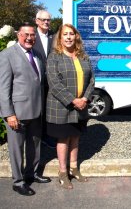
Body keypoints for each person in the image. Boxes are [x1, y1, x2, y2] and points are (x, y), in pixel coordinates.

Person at [0, 23, 51, 196]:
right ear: (18, 35)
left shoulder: (36, 54)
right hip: (17, 113)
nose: (29, 38)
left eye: (32, 35)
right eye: (25, 35)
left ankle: (32, 173)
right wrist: (8, 114)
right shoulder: (7, 55)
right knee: (16, 148)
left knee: (34, 145)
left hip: (37, 110)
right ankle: (18, 181)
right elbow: (3, 88)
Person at [46, 23, 95, 189]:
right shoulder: (54, 56)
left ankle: (74, 168)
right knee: (64, 138)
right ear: (60, 38)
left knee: (75, 137)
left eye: (71, 34)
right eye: (65, 34)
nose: (68, 37)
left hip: (81, 106)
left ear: (76, 37)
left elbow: (92, 80)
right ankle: (62, 172)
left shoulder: (83, 56)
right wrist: (74, 100)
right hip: (62, 106)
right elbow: (54, 83)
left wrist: (85, 99)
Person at [34, 10, 56, 149]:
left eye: (48, 20)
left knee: (49, 109)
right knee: (37, 109)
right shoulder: (31, 36)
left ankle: (47, 136)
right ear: (36, 21)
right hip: (35, 81)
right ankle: (37, 136)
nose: (46, 22)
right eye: (43, 20)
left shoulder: (54, 37)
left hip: (52, 82)